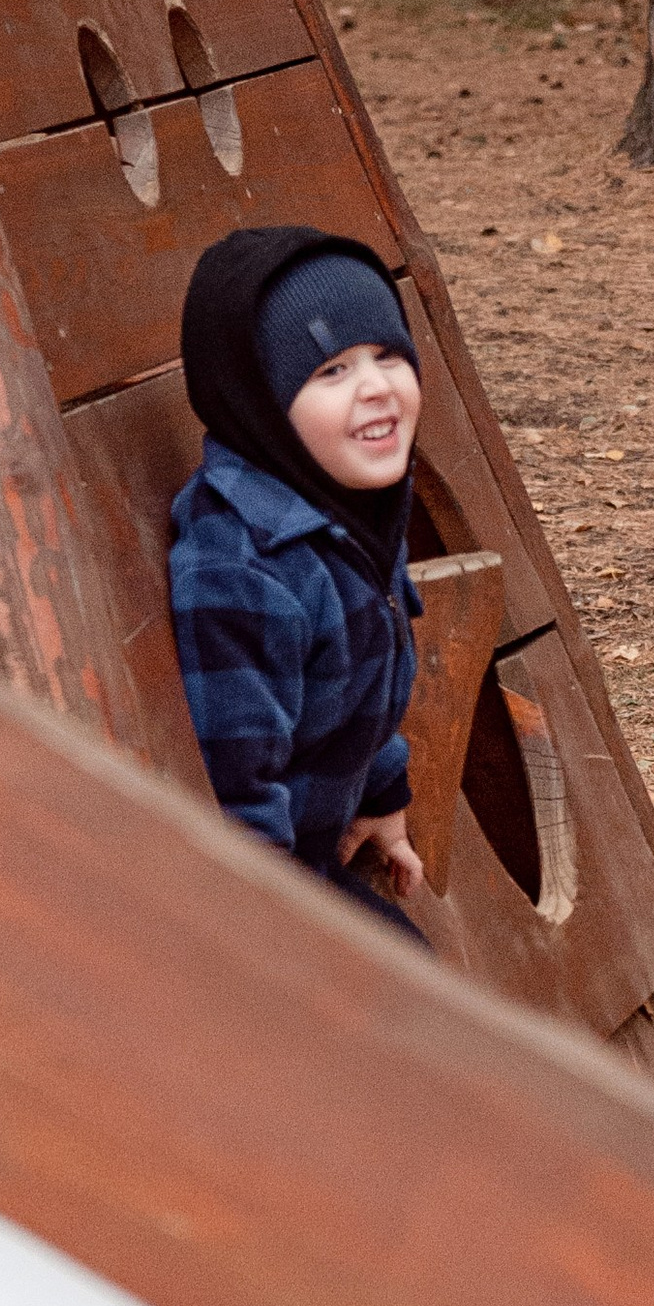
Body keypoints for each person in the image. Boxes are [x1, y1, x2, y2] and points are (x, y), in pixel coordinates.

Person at [170, 226, 428, 921]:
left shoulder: (355, 505)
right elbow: (236, 791)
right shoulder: (244, 572)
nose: (374, 386)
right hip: (260, 892)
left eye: (387, 355)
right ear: (262, 406)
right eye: (331, 371)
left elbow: (366, 683)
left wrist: (381, 797)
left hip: (317, 852)